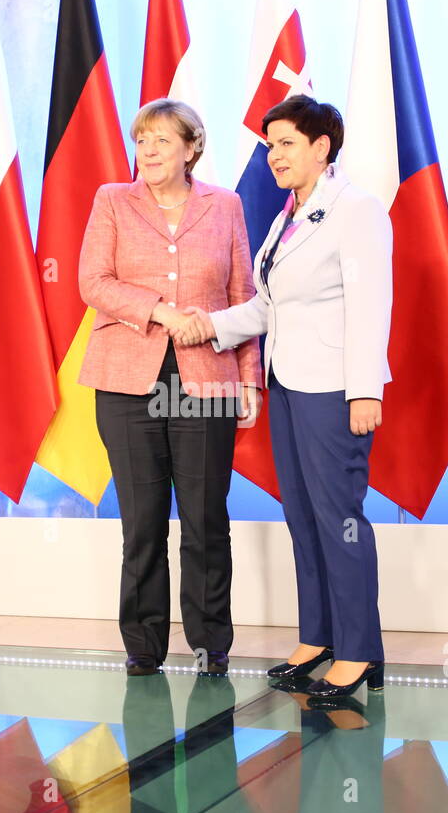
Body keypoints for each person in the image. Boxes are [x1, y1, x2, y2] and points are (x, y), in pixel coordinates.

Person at [174, 95, 393, 697]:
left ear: (322, 148)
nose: (274, 155)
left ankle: (358, 652)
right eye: (270, 144)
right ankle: (317, 637)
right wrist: (209, 325)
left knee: (339, 518)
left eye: (286, 143)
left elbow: (372, 305)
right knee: (302, 516)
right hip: (290, 387)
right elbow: (267, 306)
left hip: (335, 390)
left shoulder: (358, 210)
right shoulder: (288, 216)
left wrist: (365, 391)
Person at [78, 98, 263, 677]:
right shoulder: (112, 200)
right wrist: (160, 311)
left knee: (207, 518)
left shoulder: (226, 205)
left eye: (161, 140)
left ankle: (212, 644)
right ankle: (143, 648)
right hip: (126, 379)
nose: (149, 151)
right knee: (143, 518)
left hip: (207, 381)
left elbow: (242, 298)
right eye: (141, 141)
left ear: (192, 147)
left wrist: (250, 379)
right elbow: (93, 282)